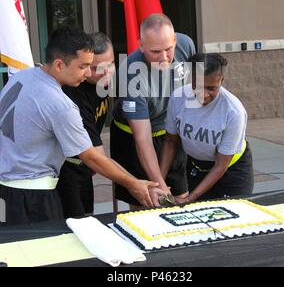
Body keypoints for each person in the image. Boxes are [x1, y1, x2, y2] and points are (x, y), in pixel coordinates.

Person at [0, 28, 159, 225]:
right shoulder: (60, 104)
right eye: (83, 66)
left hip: (7, 187)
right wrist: (134, 184)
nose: (87, 73)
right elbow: (92, 157)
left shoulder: (20, 77)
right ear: (59, 64)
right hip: (33, 196)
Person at [111, 13, 196, 208]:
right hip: (134, 137)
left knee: (182, 195)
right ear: (141, 45)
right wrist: (161, 186)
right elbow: (143, 139)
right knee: (147, 202)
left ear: (174, 40)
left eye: (168, 49)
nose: (164, 57)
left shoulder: (186, 45)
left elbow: (195, 88)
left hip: (169, 132)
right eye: (155, 52)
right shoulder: (130, 73)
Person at [160, 53, 254, 203]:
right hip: (197, 166)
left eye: (211, 88)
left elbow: (221, 165)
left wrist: (190, 198)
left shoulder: (234, 111)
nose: (203, 94)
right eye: (198, 87)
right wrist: (160, 182)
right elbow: (170, 142)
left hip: (231, 171)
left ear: (221, 80)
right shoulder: (178, 97)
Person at [57, 32, 115, 218]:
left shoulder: (104, 79)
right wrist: (134, 183)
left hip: (85, 166)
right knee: (75, 224)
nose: (106, 73)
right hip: (67, 168)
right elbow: (98, 157)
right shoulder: (75, 93)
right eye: (97, 68)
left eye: (111, 64)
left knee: (88, 216)